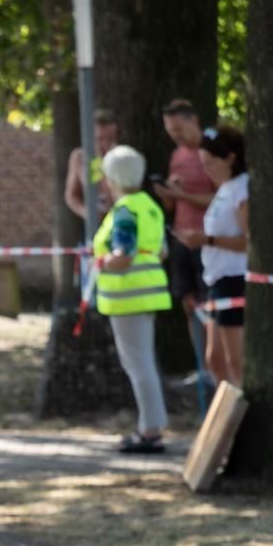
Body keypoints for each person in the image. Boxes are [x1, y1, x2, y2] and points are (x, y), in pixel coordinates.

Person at [93, 145, 172, 453]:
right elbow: (161, 251)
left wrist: (100, 261)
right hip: (148, 293)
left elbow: (122, 255)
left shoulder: (124, 210)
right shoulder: (149, 205)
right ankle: (152, 425)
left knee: (138, 365)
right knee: (144, 363)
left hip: (127, 296)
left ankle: (150, 431)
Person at [174, 125, 249, 387]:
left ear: (230, 158)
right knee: (214, 358)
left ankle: (246, 418)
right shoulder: (224, 188)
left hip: (234, 278)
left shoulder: (242, 189)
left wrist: (206, 240)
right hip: (216, 279)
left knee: (235, 360)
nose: (207, 169)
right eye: (202, 163)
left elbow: (249, 242)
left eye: (211, 163)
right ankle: (228, 417)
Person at [153, 100, 217, 387]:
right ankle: (202, 367)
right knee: (189, 303)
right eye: (169, 131)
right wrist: (167, 193)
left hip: (208, 239)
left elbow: (224, 199)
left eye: (179, 128)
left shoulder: (214, 150)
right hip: (181, 238)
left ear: (194, 121)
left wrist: (184, 196)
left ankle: (219, 367)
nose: (175, 135)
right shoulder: (177, 155)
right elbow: (171, 204)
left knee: (211, 304)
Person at [64, 108, 120, 222]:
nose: (105, 145)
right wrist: (86, 212)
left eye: (110, 139)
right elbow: (71, 195)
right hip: (94, 224)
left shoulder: (122, 157)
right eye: (99, 139)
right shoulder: (79, 157)